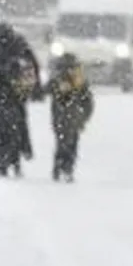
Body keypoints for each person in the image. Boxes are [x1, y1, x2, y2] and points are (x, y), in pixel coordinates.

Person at [0, 22, 41, 177]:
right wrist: (36, 87)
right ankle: (16, 159)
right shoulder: (18, 42)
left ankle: (1, 164)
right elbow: (33, 64)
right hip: (14, 93)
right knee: (16, 128)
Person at [45, 53, 95, 182]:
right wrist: (84, 117)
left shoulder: (59, 82)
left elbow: (42, 91)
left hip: (62, 119)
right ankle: (66, 168)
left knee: (63, 144)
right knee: (70, 144)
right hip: (73, 119)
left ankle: (61, 167)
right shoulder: (78, 83)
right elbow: (88, 102)